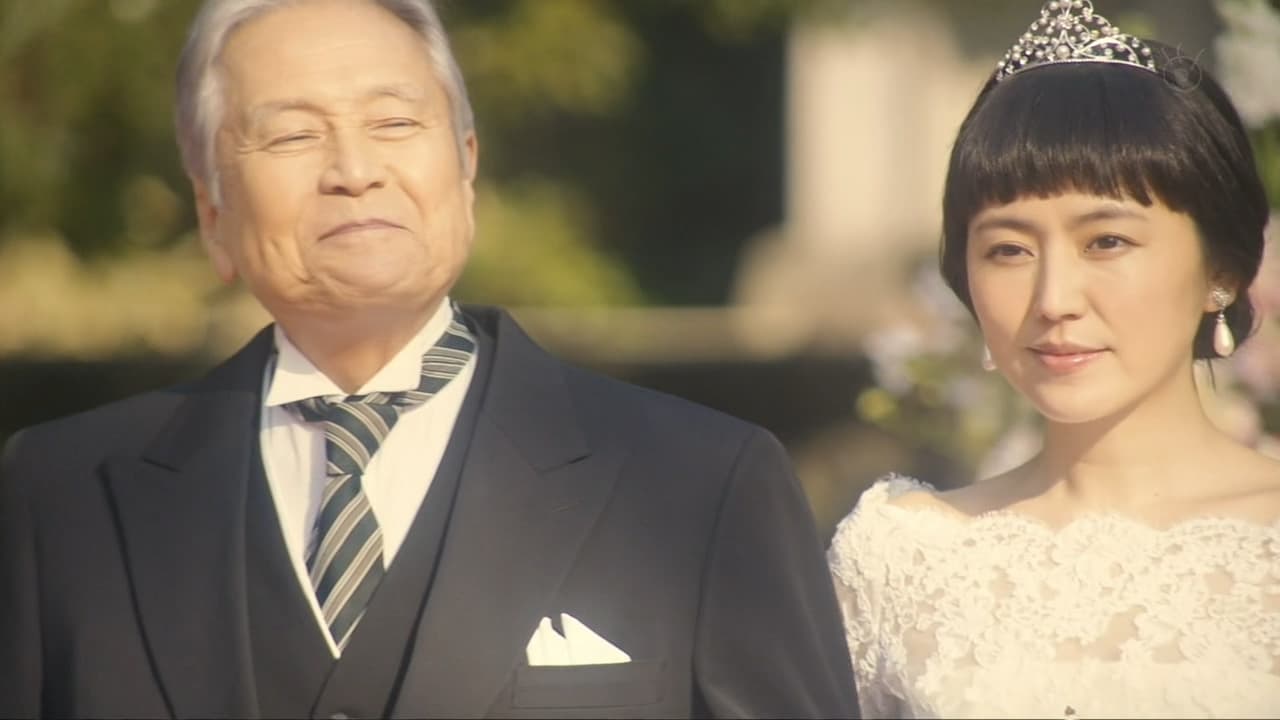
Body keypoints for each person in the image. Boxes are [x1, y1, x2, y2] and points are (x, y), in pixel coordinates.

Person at [0, 1, 859, 717]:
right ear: (213, 213)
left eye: (394, 123)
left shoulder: (699, 485)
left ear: (466, 169)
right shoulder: (62, 496)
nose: (354, 170)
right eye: (292, 136)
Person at [827, 0, 1280, 717]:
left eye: (1106, 242)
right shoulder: (899, 557)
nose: (1054, 299)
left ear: (1220, 270)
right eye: (1009, 250)